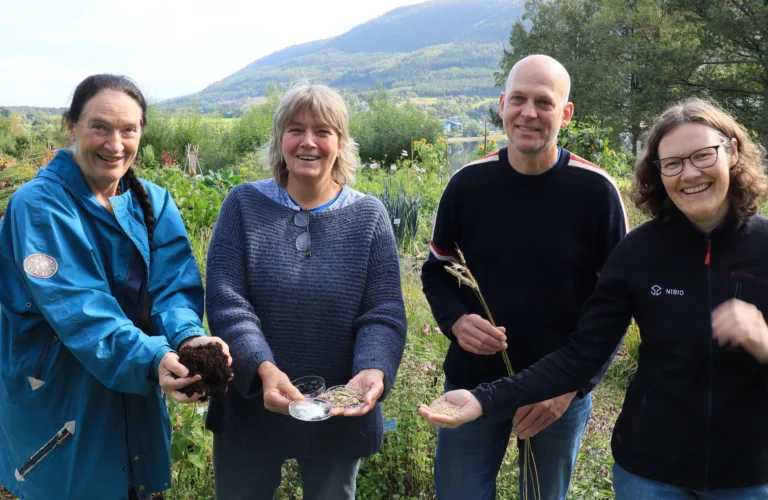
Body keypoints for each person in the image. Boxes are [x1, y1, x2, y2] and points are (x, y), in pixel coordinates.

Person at [419, 98, 768, 499]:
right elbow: (584, 352)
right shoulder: (640, 253)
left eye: (703, 155)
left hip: (750, 475)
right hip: (651, 474)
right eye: (672, 163)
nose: (689, 174)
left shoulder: (763, 248)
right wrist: (482, 399)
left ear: (732, 151)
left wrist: (764, 341)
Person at [0, 74, 231, 500]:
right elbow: (81, 310)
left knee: (132, 484)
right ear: (71, 126)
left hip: (134, 394)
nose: (115, 143)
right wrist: (154, 358)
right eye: (100, 127)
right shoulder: (38, 206)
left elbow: (173, 288)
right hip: (63, 399)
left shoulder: (153, 201)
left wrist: (189, 340)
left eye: (128, 129)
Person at [420, 54, 628, 500]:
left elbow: (616, 308)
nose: (528, 113)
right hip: (471, 384)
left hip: (555, 394)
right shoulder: (467, 186)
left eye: (543, 102)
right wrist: (455, 320)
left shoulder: (597, 192)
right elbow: (437, 272)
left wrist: (571, 387)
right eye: (518, 99)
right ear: (502, 104)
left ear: (565, 113)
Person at [205, 83, 407, 500]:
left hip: (339, 407)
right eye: (295, 129)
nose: (308, 141)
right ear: (280, 140)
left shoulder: (369, 216)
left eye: (323, 131)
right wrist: (262, 368)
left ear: (341, 143)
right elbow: (228, 302)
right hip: (252, 401)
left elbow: (383, 310)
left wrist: (374, 366)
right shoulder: (242, 205)